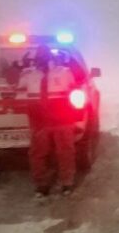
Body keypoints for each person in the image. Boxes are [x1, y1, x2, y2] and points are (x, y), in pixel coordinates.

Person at [19, 45, 79, 198]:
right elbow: (15, 85)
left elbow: (76, 86)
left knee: (65, 152)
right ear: (35, 58)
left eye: (45, 55)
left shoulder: (64, 72)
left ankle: (67, 182)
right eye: (40, 56)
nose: (43, 59)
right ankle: (41, 185)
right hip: (40, 121)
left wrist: (72, 63)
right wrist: (17, 68)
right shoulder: (28, 74)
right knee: (38, 154)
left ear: (52, 57)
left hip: (62, 120)